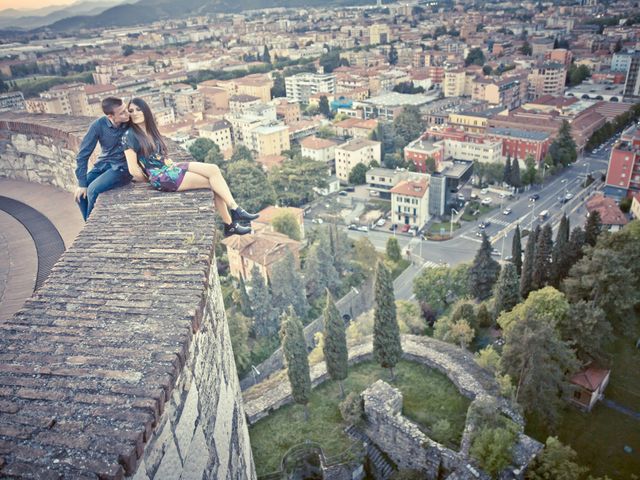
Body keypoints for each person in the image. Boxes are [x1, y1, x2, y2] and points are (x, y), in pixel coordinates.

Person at [122, 97, 258, 237]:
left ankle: (235, 210)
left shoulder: (151, 130)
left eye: (138, 109)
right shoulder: (129, 136)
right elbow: (133, 170)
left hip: (170, 167)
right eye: (131, 111)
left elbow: (160, 155)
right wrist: (150, 179)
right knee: (211, 183)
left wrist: (169, 164)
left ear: (145, 110)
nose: (135, 113)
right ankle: (230, 223)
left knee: (213, 169)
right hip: (161, 176)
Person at [74, 97, 133, 220]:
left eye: (125, 109)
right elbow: (83, 155)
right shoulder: (98, 125)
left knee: (92, 190)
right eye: (122, 113)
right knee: (80, 195)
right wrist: (81, 183)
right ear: (110, 116)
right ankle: (88, 225)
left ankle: (90, 229)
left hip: (122, 168)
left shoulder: (130, 122)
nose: (127, 113)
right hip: (103, 165)